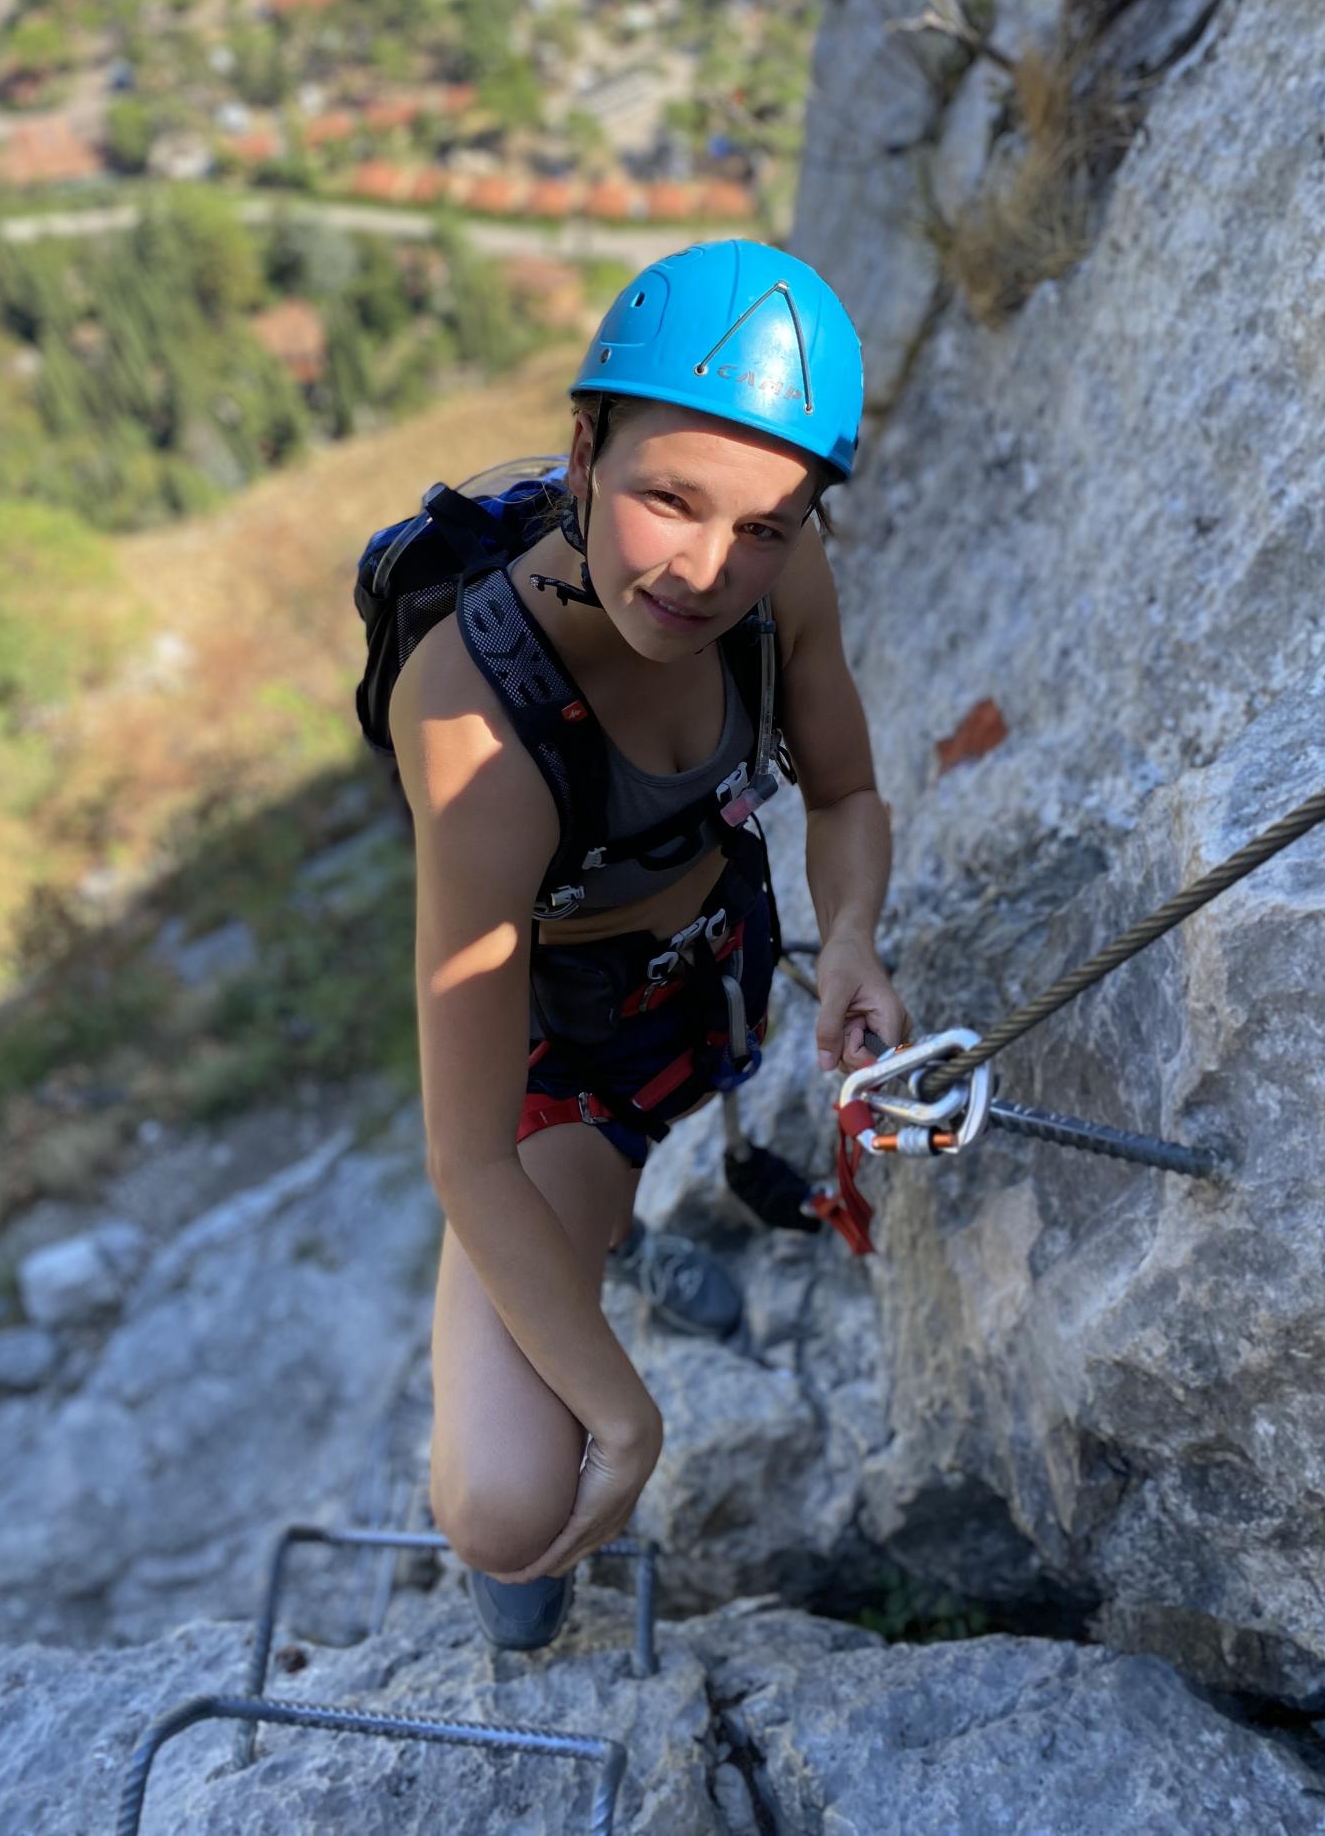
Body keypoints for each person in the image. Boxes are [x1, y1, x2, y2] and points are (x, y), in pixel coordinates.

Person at [389, 239, 909, 1652]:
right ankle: (526, 1594)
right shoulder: (474, 724)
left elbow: (847, 789)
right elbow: (466, 1148)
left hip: (715, 977)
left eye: (762, 526)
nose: (704, 571)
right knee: (507, 1499)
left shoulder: (776, 579)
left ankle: (603, 1247)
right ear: (581, 450)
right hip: (562, 1054)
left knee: (594, 1248)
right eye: (664, 499)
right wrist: (620, 1415)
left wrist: (849, 934)